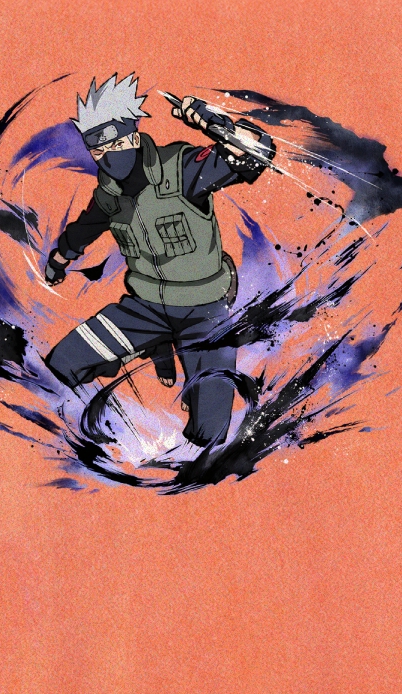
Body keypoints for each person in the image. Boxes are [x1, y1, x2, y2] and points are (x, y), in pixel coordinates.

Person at [43, 73, 274, 447]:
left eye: (115, 143)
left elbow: (258, 153)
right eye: (97, 150)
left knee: (211, 431)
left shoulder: (181, 168)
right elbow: (85, 227)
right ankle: (148, 353)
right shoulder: (110, 194)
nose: (107, 156)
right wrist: (59, 259)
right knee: (62, 363)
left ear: (133, 137)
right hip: (144, 309)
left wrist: (216, 123)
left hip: (204, 312)